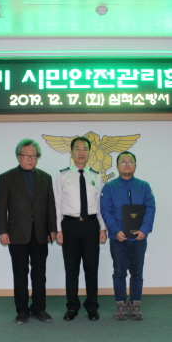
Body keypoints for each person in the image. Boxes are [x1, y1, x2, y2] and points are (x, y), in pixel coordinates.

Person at [0, 139, 57, 324]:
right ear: (18, 157)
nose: (30, 159)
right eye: (26, 155)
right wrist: (2, 231)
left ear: (37, 157)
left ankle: (39, 309)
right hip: (17, 233)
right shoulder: (7, 178)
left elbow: (51, 206)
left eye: (33, 155)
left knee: (39, 274)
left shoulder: (45, 177)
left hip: (40, 233)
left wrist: (52, 229)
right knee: (20, 273)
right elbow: (1, 208)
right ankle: (22, 311)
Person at [55, 137, 107, 321]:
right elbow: (57, 203)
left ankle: (92, 306)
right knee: (71, 269)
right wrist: (58, 229)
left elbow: (100, 205)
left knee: (91, 268)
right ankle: (72, 307)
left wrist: (102, 228)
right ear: (71, 152)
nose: (81, 152)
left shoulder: (95, 176)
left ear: (89, 153)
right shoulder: (62, 175)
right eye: (77, 149)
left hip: (91, 225)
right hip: (69, 225)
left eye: (85, 149)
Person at [100, 151, 156, 320]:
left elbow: (150, 209)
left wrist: (144, 230)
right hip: (118, 239)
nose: (126, 164)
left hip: (139, 239)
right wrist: (115, 230)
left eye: (130, 161)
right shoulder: (110, 187)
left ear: (135, 165)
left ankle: (136, 306)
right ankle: (121, 306)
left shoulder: (144, 186)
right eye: (123, 162)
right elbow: (106, 211)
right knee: (119, 272)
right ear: (117, 166)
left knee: (137, 273)